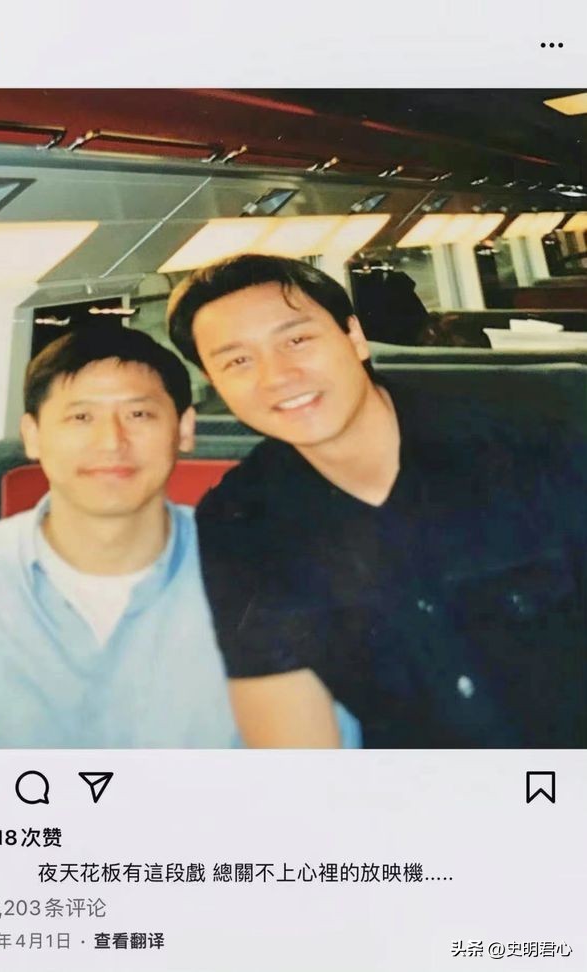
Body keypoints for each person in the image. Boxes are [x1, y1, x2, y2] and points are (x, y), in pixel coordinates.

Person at [168, 254, 587, 748]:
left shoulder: (534, 449)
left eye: (296, 340)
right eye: (237, 361)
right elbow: (294, 735)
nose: (277, 375)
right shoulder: (238, 525)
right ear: (214, 383)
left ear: (354, 337)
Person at [0, 325, 239, 747]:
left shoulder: (261, 579)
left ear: (184, 429)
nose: (111, 442)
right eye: (80, 417)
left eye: (138, 415)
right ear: (33, 435)